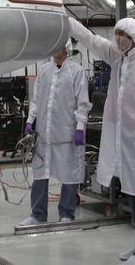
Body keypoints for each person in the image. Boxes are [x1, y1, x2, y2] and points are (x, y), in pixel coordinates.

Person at [69, 17, 135, 265]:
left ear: (134, 37)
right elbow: (90, 39)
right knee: (133, 193)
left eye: (123, 34)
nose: (118, 38)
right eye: (116, 33)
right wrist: (67, 21)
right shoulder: (118, 57)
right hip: (123, 138)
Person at [18, 42, 90, 227]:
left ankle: (66, 213)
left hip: (66, 134)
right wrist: (30, 120)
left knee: (69, 174)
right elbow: (36, 99)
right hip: (44, 134)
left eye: (59, 45)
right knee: (40, 173)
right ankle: (37, 214)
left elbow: (82, 103)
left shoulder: (76, 72)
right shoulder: (44, 71)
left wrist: (80, 127)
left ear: (66, 48)